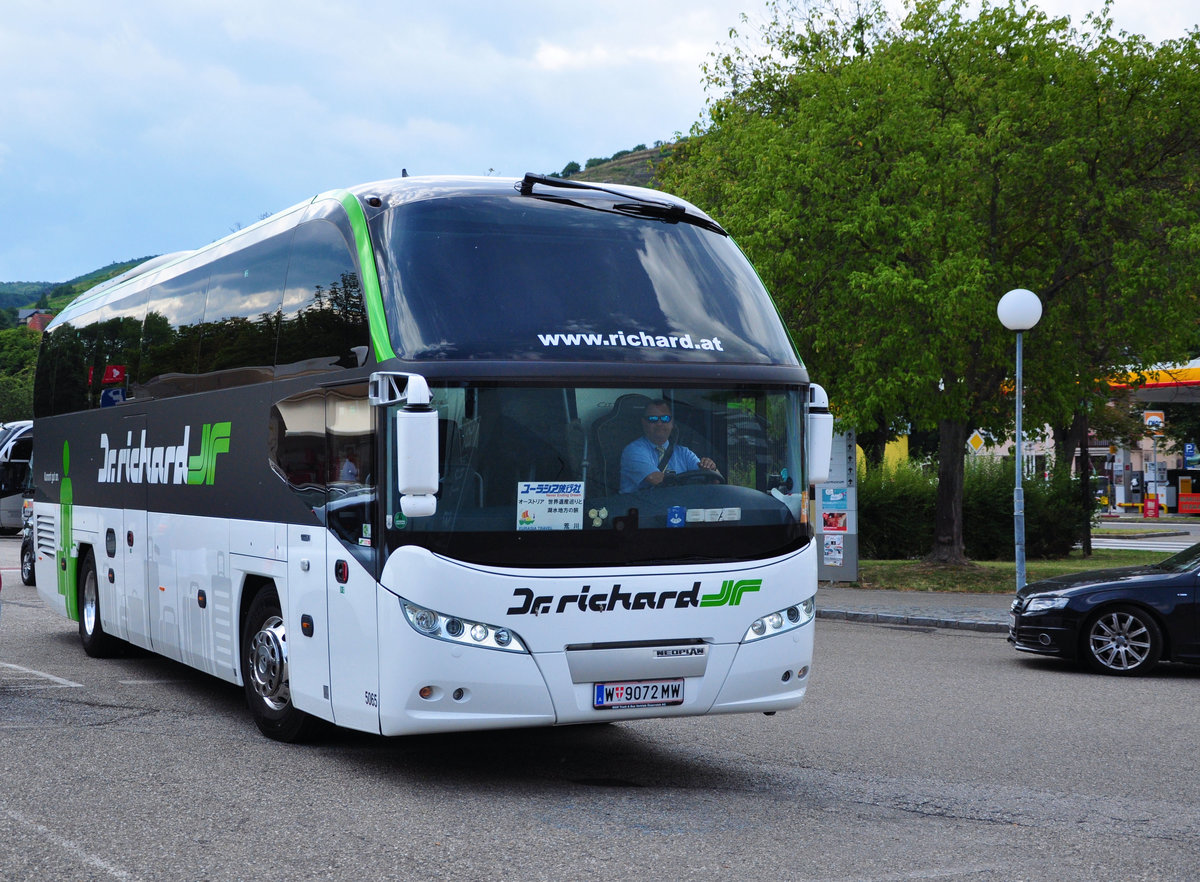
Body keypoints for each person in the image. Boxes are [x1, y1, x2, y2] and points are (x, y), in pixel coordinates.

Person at [619, 399, 716, 492]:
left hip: (676, 505)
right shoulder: (633, 451)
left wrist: (711, 469)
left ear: (672, 423)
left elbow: (715, 480)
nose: (659, 423)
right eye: (653, 419)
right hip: (639, 507)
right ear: (644, 422)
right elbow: (660, 482)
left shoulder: (684, 453)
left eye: (665, 418)